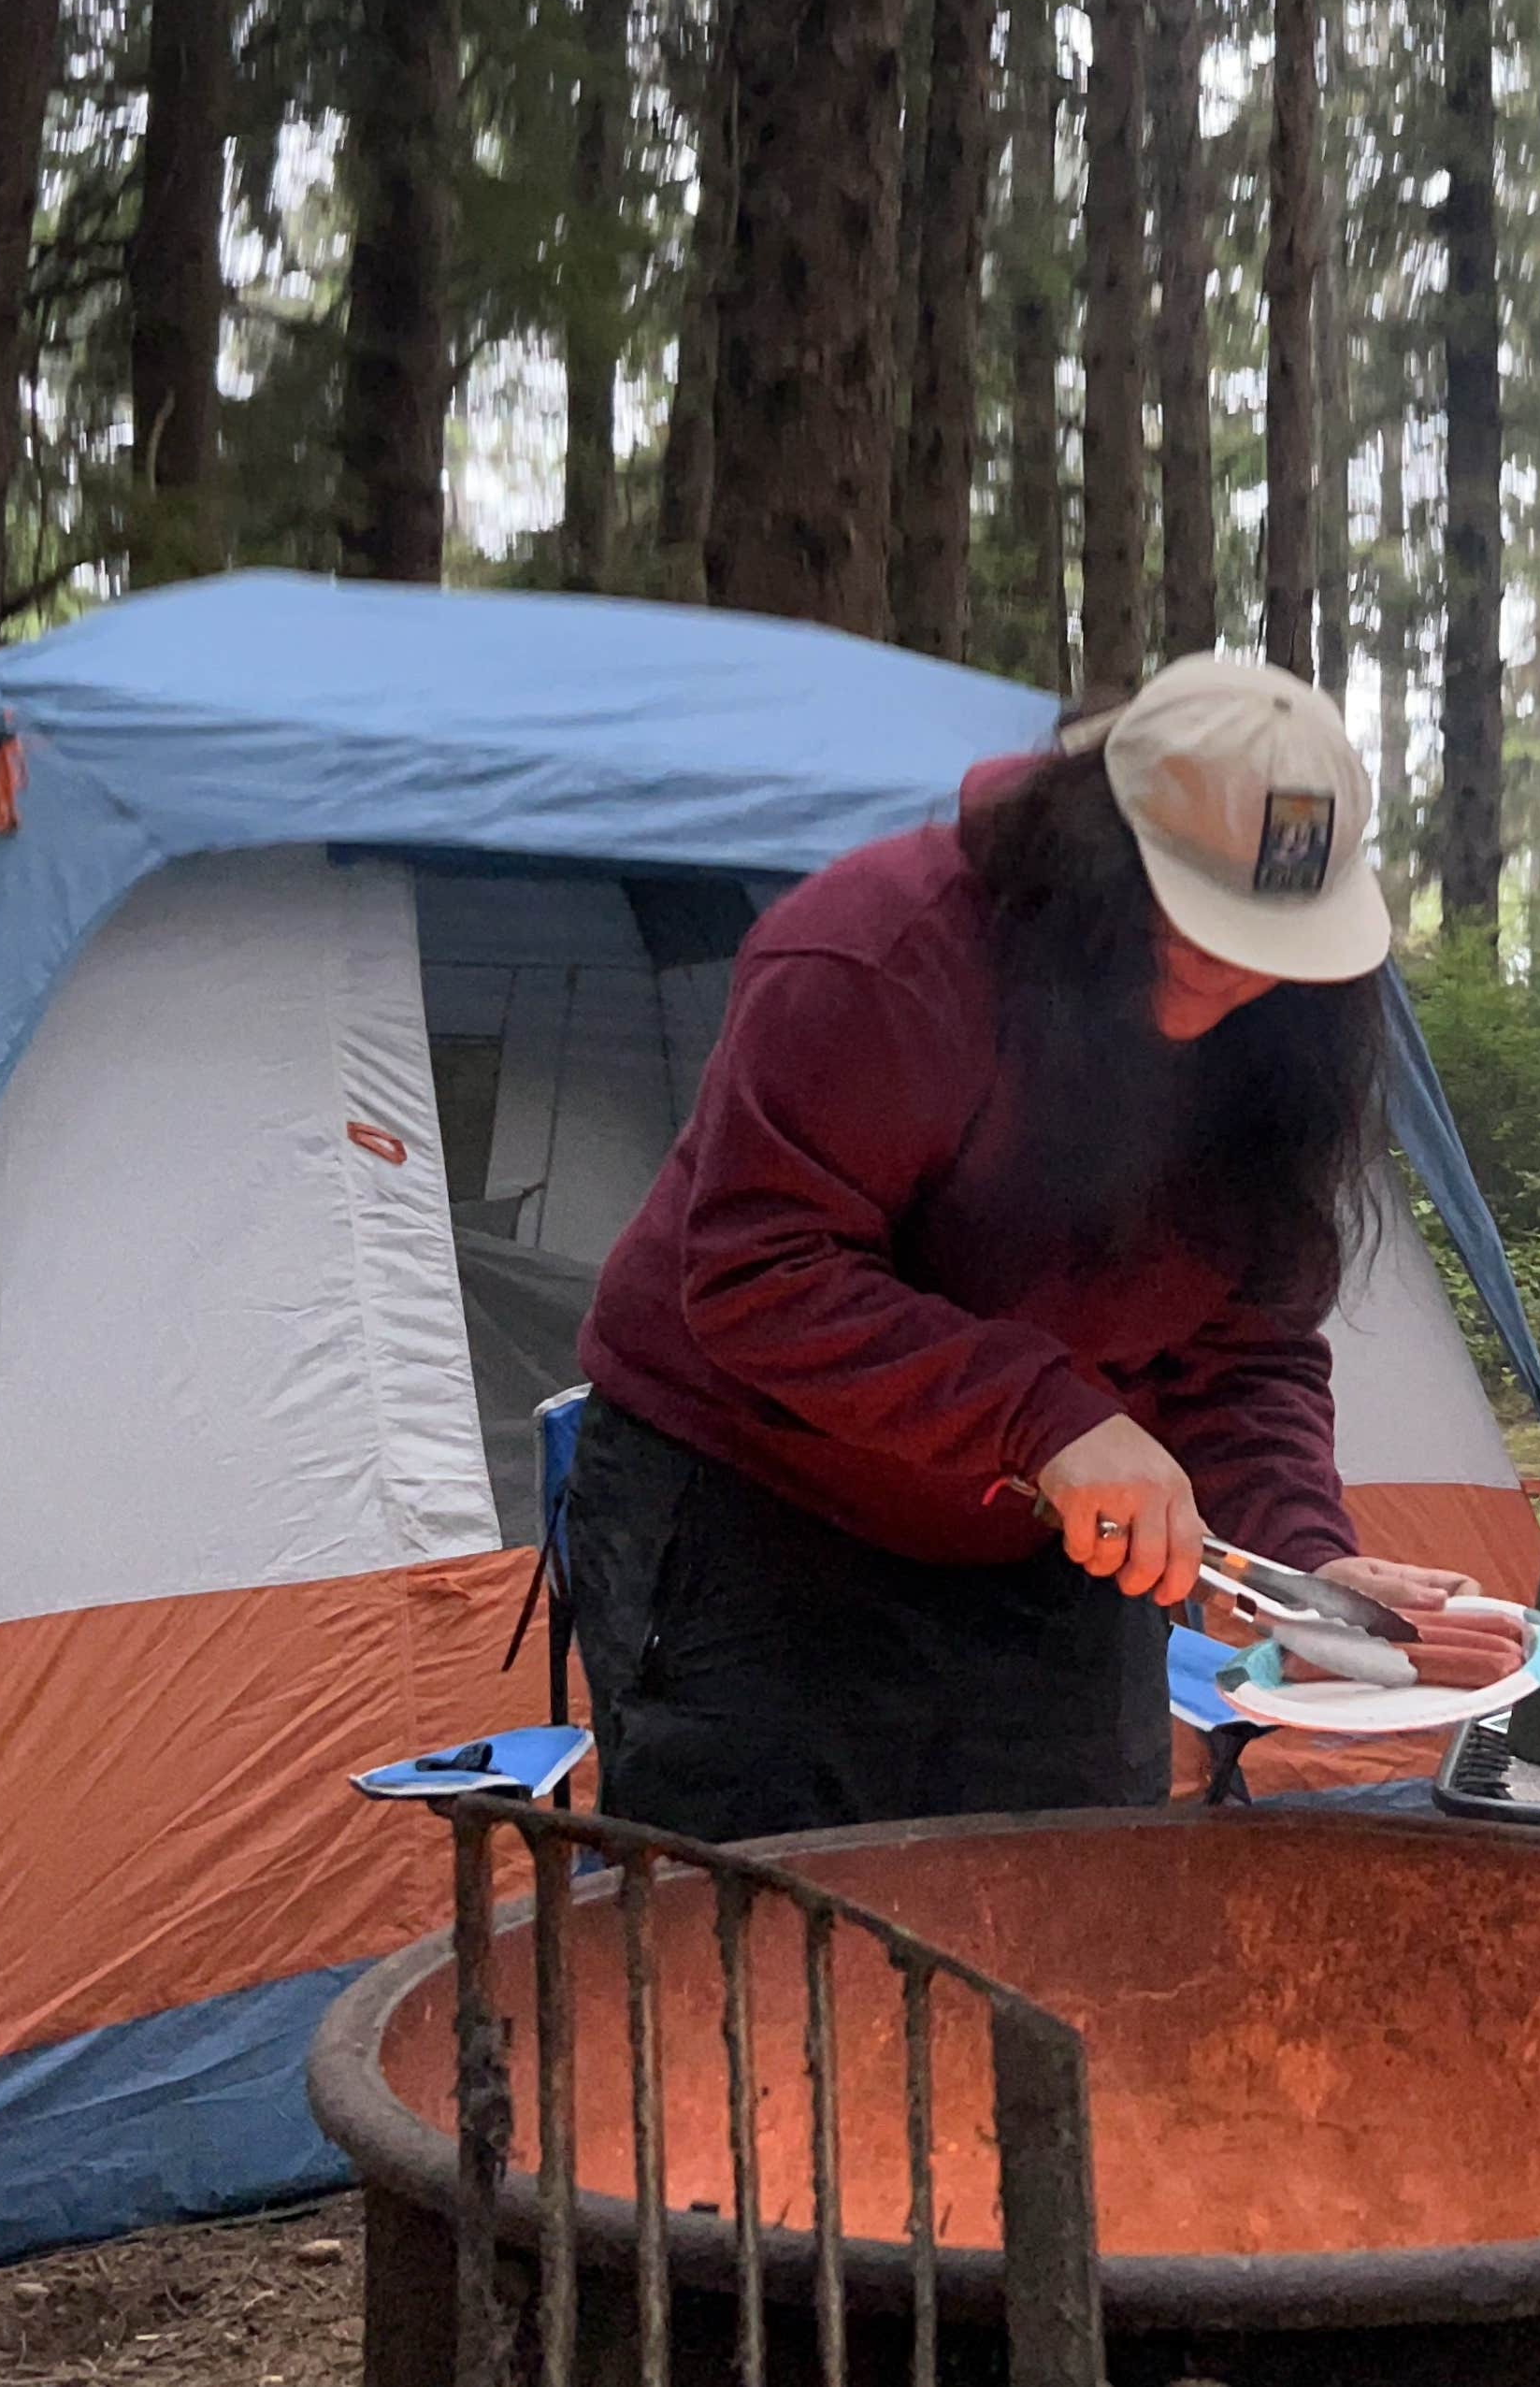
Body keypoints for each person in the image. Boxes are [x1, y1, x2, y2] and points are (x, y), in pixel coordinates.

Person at [563, 652, 1455, 1839]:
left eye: (1279, 937)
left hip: (1043, 1536)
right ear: (1099, 844)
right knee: (768, 1930)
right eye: (1204, 919)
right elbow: (761, 1271)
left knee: (1073, 1900)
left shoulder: (1282, 1035)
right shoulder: (880, 952)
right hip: (751, 1496)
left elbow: (1247, 1345)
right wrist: (1049, 1418)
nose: (1243, 968)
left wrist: (1303, 1558)